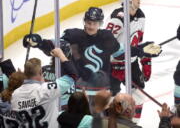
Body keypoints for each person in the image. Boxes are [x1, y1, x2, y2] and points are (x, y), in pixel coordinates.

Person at [23, 7, 161, 96]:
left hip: (101, 92)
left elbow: (121, 52)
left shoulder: (106, 37)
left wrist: (140, 50)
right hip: (78, 93)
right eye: (88, 22)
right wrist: (40, 43)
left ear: (100, 23)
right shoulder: (73, 35)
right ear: (85, 21)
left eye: (94, 23)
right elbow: (56, 45)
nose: (91, 26)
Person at [104, 0, 150, 121]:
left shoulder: (141, 16)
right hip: (114, 65)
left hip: (131, 62)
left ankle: (133, 123)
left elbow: (138, 41)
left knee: (139, 94)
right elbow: (105, 45)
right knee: (111, 97)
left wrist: (145, 59)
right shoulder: (117, 18)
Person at [11, 48, 77, 128]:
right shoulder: (46, 89)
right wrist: (61, 55)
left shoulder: (15, 95)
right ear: (40, 72)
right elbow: (72, 75)